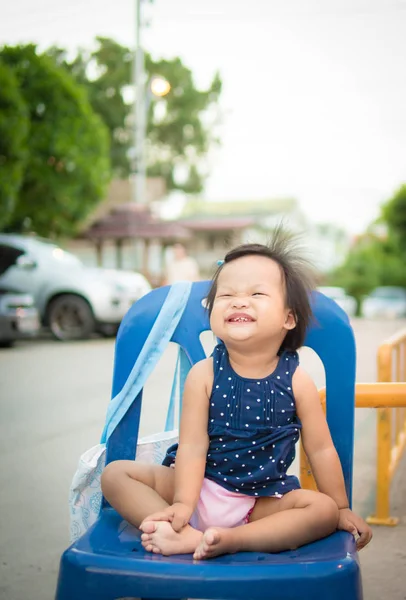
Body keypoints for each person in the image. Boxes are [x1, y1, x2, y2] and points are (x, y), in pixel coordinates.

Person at [101, 229, 373, 560]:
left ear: (288, 318)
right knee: (115, 475)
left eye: (257, 293)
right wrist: (184, 504)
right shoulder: (204, 375)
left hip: (259, 499)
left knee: (322, 510)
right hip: (196, 484)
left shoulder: (297, 381)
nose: (239, 301)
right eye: (226, 296)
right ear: (213, 314)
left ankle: (233, 539)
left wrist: (341, 505)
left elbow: (321, 449)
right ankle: (182, 532)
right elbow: (192, 445)